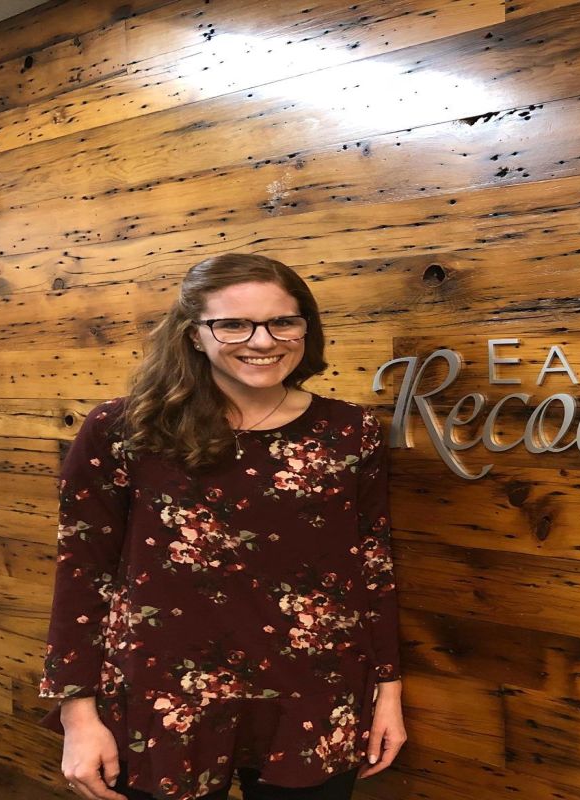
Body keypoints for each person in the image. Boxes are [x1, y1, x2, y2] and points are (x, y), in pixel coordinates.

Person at [38, 254, 406, 800]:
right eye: (233, 324)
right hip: (163, 693)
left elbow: (371, 566)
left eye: (283, 321)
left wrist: (388, 691)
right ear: (193, 333)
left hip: (314, 692)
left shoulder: (351, 430)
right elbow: (82, 573)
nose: (263, 341)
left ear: (306, 327)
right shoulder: (122, 428)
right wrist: (77, 714)